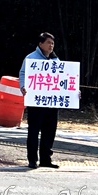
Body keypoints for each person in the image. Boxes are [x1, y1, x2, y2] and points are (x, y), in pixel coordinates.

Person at [19, 32, 61, 169]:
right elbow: (23, 73)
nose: (51, 46)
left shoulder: (56, 60)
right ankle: (32, 159)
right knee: (34, 131)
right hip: (36, 102)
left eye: (53, 43)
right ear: (40, 44)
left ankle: (45, 159)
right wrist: (23, 86)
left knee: (50, 131)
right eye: (48, 42)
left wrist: (72, 93)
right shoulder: (31, 58)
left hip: (52, 102)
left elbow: (63, 78)